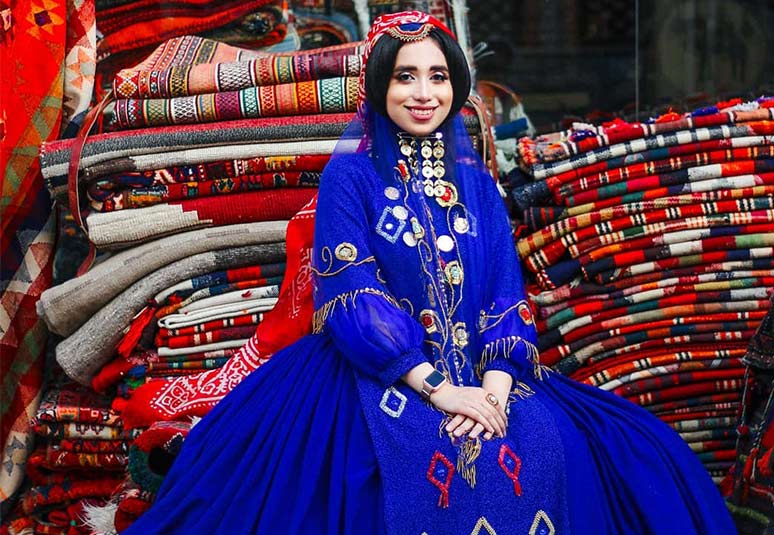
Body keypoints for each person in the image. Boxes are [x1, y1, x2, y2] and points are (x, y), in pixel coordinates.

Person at [122, 11, 737, 534]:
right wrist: (438, 391)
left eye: (438, 76)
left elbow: (503, 288)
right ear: (378, 88)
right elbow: (350, 291)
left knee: (628, 453)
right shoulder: (351, 176)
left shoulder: (475, 180)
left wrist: (492, 392)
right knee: (364, 476)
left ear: (457, 86)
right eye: (404, 76)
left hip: (486, 376)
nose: (423, 93)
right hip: (376, 374)